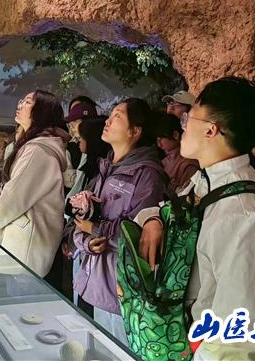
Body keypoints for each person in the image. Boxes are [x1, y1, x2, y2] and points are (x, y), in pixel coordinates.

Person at [136, 77, 255, 360]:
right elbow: (173, 209)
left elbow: (241, 341)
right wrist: (153, 220)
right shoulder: (207, 181)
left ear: (210, 130)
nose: (182, 126)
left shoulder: (245, 216)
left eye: (187, 118)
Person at [70, 98, 168, 345]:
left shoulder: (147, 175)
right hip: (94, 282)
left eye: (117, 116)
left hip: (122, 292)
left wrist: (96, 229)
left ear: (135, 131)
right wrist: (86, 241)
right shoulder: (107, 167)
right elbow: (84, 222)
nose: (108, 121)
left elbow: (140, 238)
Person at [0, 90, 70, 277]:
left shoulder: (38, 151)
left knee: (20, 292)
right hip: (26, 248)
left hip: (25, 251)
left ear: (42, 111)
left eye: (28, 101)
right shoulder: (37, 147)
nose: (20, 104)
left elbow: (14, 196)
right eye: (22, 100)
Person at [61, 117, 111, 302]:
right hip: (81, 242)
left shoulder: (100, 172)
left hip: (90, 246)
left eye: (82, 137)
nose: (78, 142)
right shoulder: (91, 167)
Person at [154, 111, 199, 193]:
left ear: (175, 135)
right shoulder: (163, 162)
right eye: (157, 140)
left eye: (161, 139)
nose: (159, 144)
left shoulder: (189, 164)